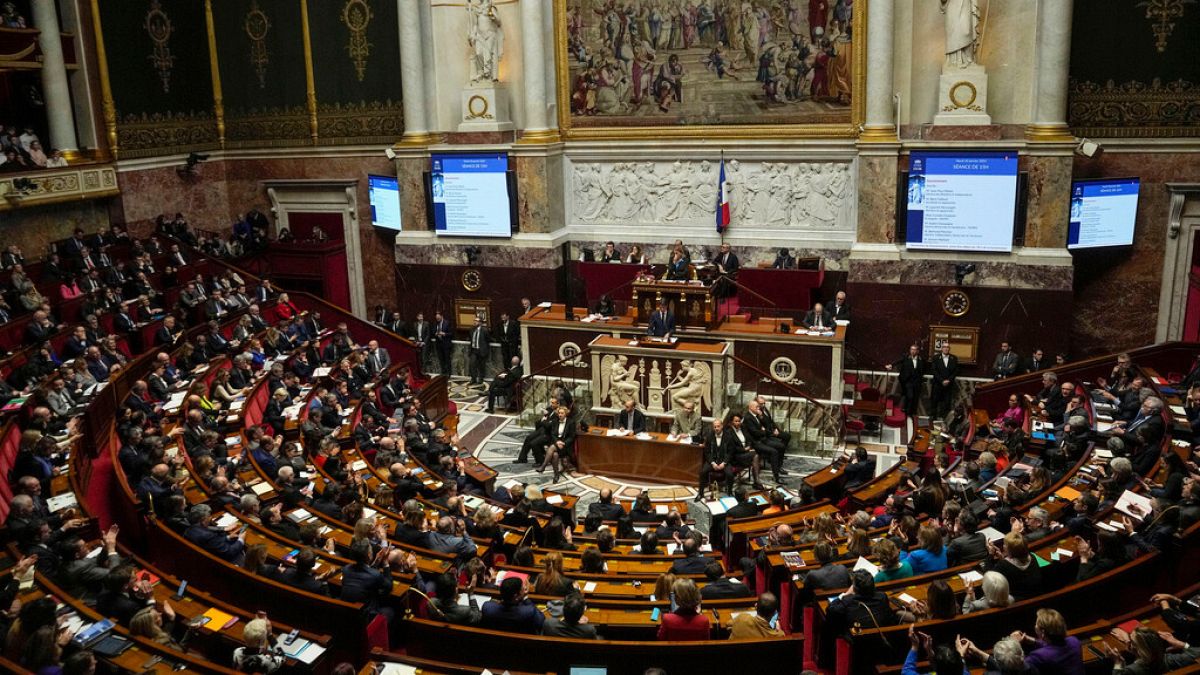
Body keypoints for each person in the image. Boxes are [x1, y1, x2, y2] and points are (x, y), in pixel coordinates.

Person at [1014, 608, 1085, 675]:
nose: (1035, 626)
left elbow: (1018, 668)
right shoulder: (1074, 641)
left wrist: (1015, 644)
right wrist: (1033, 641)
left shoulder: (1038, 656)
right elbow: (1054, 647)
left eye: (1036, 624)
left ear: (1043, 632)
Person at [887, 344, 926, 418]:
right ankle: (907, 412)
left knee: (915, 398)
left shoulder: (921, 360)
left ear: (917, 351)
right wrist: (891, 365)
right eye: (912, 349)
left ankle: (912, 413)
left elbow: (924, 369)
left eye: (915, 349)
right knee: (910, 396)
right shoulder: (906, 358)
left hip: (917, 382)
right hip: (908, 381)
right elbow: (898, 361)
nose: (913, 351)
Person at [930, 342, 959, 419]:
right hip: (937, 384)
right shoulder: (936, 358)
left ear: (949, 349)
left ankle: (945, 419)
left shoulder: (954, 358)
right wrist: (942, 381)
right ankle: (933, 419)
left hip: (949, 385)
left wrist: (948, 380)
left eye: (947, 347)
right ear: (942, 348)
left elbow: (955, 371)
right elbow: (934, 370)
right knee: (935, 402)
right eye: (944, 347)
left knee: (947, 403)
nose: (946, 348)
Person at [467, 315, 489, 385]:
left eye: (476, 321)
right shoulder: (471, 329)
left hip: (481, 350)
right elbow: (470, 338)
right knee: (472, 364)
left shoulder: (484, 330)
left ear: (480, 323)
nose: (475, 322)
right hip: (473, 350)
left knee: (481, 366)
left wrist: (485, 350)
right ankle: (473, 379)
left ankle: (481, 379)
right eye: (474, 321)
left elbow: (487, 340)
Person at [432, 310, 453, 374]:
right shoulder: (435, 323)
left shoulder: (447, 323)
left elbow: (451, 333)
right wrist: (435, 333)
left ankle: (449, 373)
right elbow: (432, 331)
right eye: (436, 318)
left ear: (442, 317)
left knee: (447, 360)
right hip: (438, 345)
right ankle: (443, 373)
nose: (437, 319)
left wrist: (444, 334)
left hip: (446, 345)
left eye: (438, 318)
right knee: (441, 360)